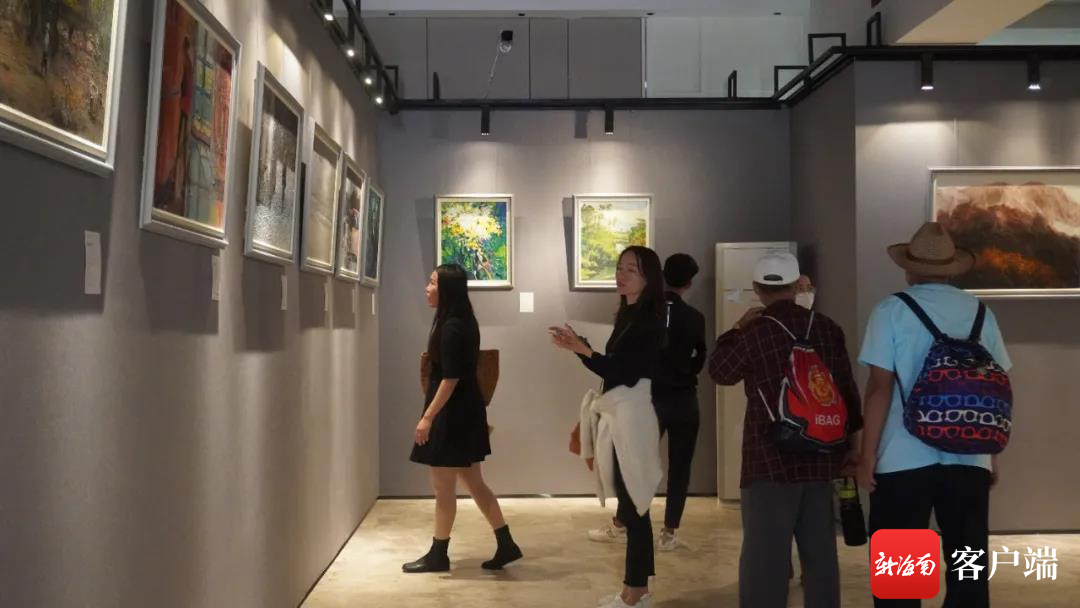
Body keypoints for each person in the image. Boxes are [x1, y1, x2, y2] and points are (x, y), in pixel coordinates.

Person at [856, 222, 1010, 608]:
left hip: (902, 458)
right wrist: (990, 454)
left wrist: (866, 457)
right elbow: (996, 387)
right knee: (968, 566)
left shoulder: (892, 310)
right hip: (970, 456)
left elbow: (879, 388)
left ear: (910, 269)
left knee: (901, 577)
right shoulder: (980, 312)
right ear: (951, 269)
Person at [709, 252, 862, 608]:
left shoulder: (755, 332)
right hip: (822, 455)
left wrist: (735, 329)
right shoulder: (827, 328)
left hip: (769, 459)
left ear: (757, 289)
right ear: (796, 287)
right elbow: (847, 392)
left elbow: (720, 372)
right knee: (821, 556)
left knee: (765, 560)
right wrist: (852, 449)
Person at [551, 246, 666, 608]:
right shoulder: (629, 315)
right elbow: (610, 368)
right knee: (631, 506)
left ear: (648, 278)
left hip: (632, 417)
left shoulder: (648, 320)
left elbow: (624, 372)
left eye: (631, 269)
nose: (621, 275)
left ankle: (635, 593)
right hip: (620, 413)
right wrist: (579, 347)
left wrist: (583, 349)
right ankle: (636, 589)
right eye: (619, 268)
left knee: (635, 506)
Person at [404, 264, 522, 573]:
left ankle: (438, 554)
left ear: (447, 290)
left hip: (452, 415)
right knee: (474, 482)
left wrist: (427, 417)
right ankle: (506, 544)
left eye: (432, 283)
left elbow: (450, 378)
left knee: (443, 488)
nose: (427, 288)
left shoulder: (452, 327)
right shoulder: (461, 321)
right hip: (464, 411)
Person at [586, 253, 706, 552]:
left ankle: (622, 524)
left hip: (650, 399)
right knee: (680, 466)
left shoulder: (646, 314)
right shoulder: (694, 317)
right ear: (689, 283)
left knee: (634, 466)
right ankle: (669, 531)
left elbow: (624, 365)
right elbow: (699, 358)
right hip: (684, 399)